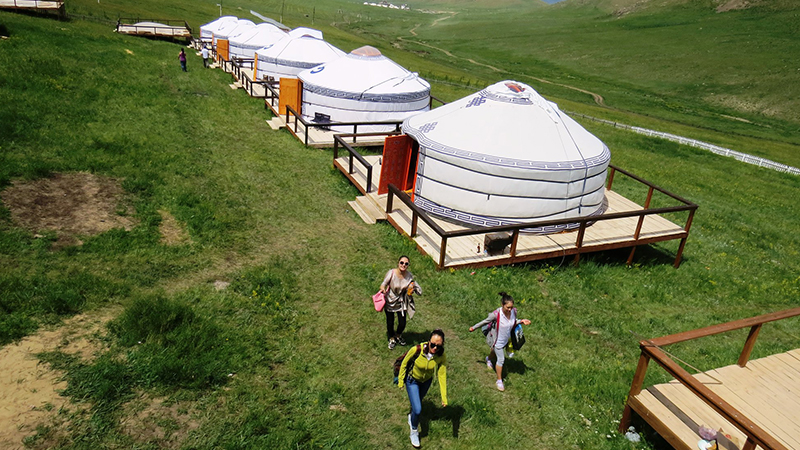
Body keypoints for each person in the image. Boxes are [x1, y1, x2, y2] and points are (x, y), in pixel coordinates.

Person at [469, 292, 531, 391]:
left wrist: (521, 321)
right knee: (501, 359)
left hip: (507, 339)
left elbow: (513, 322)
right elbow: (485, 321)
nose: (510, 309)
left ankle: (488, 359)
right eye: (508, 307)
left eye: (511, 307)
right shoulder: (496, 314)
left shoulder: (513, 312)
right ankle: (499, 381)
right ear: (502, 305)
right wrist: (474, 327)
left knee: (494, 353)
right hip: (497, 341)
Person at [397, 329, 447, 448]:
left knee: (416, 405)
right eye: (432, 345)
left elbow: (442, 375)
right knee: (418, 409)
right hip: (412, 381)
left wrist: (444, 397)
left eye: (438, 346)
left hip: (426, 382)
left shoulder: (441, 356)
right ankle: (414, 431)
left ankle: (412, 416)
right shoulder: (417, 350)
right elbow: (404, 363)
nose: (435, 348)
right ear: (428, 341)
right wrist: (401, 380)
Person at [379, 255, 421, 350]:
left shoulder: (409, 276)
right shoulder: (391, 273)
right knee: (390, 322)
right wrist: (383, 289)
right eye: (401, 262)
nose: (403, 265)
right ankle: (391, 338)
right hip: (390, 300)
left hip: (401, 302)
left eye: (406, 263)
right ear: (398, 263)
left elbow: (412, 286)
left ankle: (398, 335)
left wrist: (412, 289)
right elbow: (383, 284)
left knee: (402, 322)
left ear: (408, 265)